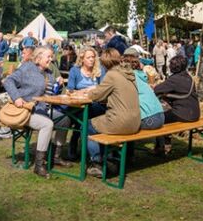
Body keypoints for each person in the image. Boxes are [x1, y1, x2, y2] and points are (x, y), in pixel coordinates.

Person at [4, 46, 72, 178]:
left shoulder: (50, 73)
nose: (51, 59)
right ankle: (39, 165)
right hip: (25, 110)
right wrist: (17, 97)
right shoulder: (27, 68)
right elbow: (9, 81)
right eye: (48, 56)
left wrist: (58, 86)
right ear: (39, 57)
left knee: (65, 119)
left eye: (51, 57)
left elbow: (51, 94)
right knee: (47, 124)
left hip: (43, 109)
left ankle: (55, 157)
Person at [86, 48, 140, 177]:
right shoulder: (128, 74)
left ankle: (97, 162)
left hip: (121, 121)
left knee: (88, 125)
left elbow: (96, 95)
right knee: (100, 120)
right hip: (135, 122)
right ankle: (110, 157)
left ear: (105, 63)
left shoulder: (111, 75)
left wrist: (88, 91)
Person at [66, 47, 106, 160]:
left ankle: (90, 150)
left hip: (95, 104)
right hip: (78, 105)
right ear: (82, 58)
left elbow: (103, 88)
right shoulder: (75, 70)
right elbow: (70, 90)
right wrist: (85, 91)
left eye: (93, 57)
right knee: (82, 119)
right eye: (88, 57)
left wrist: (94, 89)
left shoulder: (100, 70)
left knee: (87, 118)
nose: (91, 60)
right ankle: (78, 146)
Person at [124, 47, 165, 129]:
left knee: (123, 124)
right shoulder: (141, 75)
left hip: (149, 119)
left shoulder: (130, 77)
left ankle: (130, 142)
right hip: (161, 115)